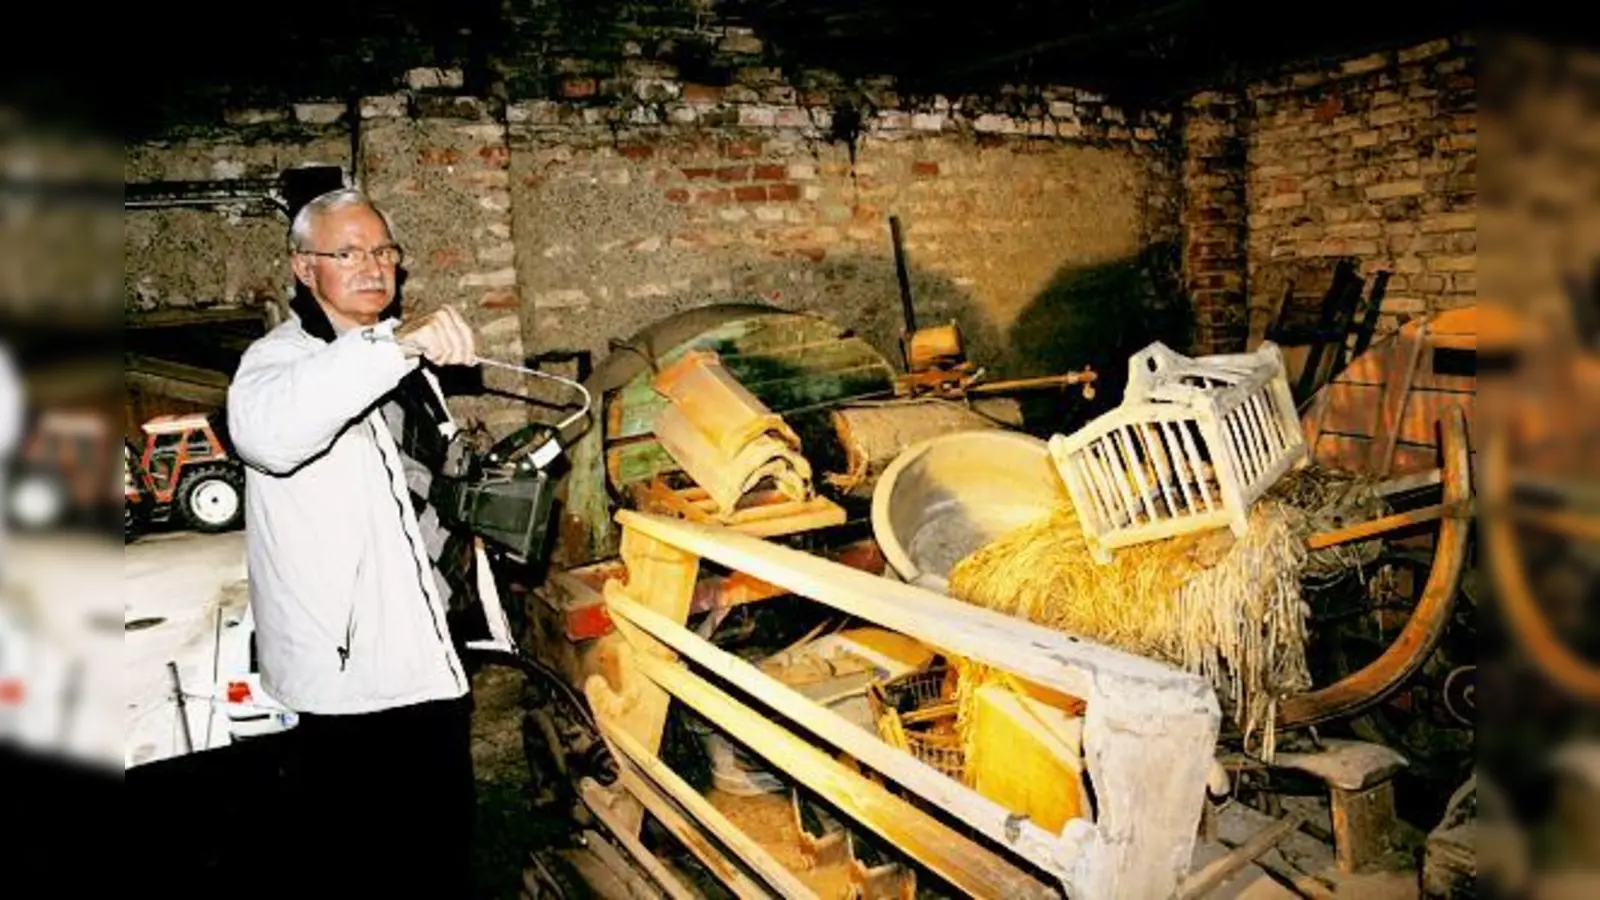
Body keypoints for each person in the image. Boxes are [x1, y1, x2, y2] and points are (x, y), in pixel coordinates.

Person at [227, 187, 484, 897]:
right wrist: (394, 344)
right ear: (304, 268)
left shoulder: (406, 368)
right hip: (351, 687)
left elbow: (413, 493)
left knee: (444, 855)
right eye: (347, 253)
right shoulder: (276, 363)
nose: (373, 267)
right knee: (364, 866)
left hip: (430, 658)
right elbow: (268, 434)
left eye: (383, 251)